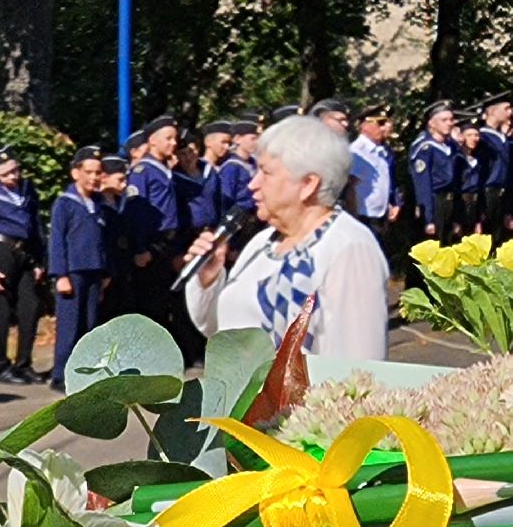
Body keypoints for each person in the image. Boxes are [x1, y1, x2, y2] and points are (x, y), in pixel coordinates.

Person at [184, 116, 389, 361]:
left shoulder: (350, 247)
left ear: (308, 184)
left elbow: (357, 366)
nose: (253, 185)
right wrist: (208, 280)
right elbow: (223, 331)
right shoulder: (263, 242)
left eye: (266, 173)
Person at [0, 146, 50, 385]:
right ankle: (0, 367)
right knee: (2, 312)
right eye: (7, 173)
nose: (13, 176)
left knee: (30, 307)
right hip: (3, 252)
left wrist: (40, 260)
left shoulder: (27, 189)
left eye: (16, 170)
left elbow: (36, 225)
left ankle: (23, 363)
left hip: (26, 253)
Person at [47, 148, 110, 391]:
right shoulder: (65, 204)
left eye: (98, 172)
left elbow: (102, 241)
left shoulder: (98, 203)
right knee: (70, 325)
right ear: (76, 173)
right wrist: (60, 275)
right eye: (89, 172)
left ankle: (86, 373)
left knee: (90, 324)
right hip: (73, 273)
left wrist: (105, 272)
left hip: (94, 270)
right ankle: (61, 374)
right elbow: (57, 241)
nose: (94, 177)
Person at [125, 117, 181, 337]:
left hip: (169, 243)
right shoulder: (143, 171)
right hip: (153, 244)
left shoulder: (165, 168)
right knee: (151, 303)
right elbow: (136, 212)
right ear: (152, 141)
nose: (173, 143)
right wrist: (141, 248)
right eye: (168, 138)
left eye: (175, 138)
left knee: (166, 302)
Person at [347, 104, 402, 246]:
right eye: (380, 123)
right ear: (365, 125)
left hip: (381, 215)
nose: (385, 128)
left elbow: (385, 182)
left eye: (387, 123)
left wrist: (392, 202)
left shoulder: (382, 151)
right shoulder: (357, 152)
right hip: (363, 217)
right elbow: (350, 187)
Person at [410, 100, 459, 244]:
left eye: (451, 119)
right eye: (444, 120)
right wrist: (428, 218)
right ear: (432, 123)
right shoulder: (425, 148)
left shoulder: (450, 146)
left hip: (450, 202)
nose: (449, 123)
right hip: (435, 201)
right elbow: (423, 185)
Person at [99, 155, 134, 321]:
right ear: (104, 177)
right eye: (120, 179)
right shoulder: (96, 205)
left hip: (123, 267)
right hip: (106, 268)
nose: (124, 184)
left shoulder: (123, 202)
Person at [474, 91, 511, 245]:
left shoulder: (503, 139)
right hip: (487, 193)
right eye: (506, 108)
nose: (510, 112)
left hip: (504, 194)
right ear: (493, 111)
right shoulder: (481, 137)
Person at [455, 118, 483, 236]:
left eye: (476, 135)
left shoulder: (478, 160)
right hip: (460, 204)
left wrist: (478, 219)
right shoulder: (456, 158)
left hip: (475, 204)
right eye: (469, 135)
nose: (474, 138)